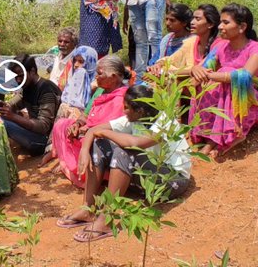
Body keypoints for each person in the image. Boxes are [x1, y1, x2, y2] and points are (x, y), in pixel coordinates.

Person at [57, 85, 191, 242]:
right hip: (148, 176)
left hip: (171, 181)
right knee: (100, 144)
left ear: (140, 111)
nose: (123, 110)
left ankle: (106, 218)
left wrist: (104, 132)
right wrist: (84, 151)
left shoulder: (164, 124)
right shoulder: (135, 117)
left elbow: (136, 143)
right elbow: (94, 131)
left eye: (126, 108)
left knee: (124, 150)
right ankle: (88, 208)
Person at [189, 3, 258, 157]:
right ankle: (209, 134)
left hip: (254, 101)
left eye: (226, 22)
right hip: (229, 97)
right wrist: (196, 70)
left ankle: (232, 135)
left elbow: (244, 76)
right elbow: (205, 66)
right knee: (199, 81)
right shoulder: (221, 46)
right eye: (220, 22)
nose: (219, 26)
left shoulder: (257, 49)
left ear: (242, 27)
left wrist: (211, 75)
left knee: (231, 77)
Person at [51, 56, 129, 187]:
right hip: (88, 131)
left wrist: (87, 130)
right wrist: (77, 124)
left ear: (114, 76)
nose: (96, 77)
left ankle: (93, 174)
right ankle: (71, 164)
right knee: (61, 124)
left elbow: (115, 129)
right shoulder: (100, 91)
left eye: (99, 74)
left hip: (104, 139)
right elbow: (86, 114)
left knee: (95, 143)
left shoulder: (123, 98)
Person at [0, 54, 61, 156]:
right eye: (15, 77)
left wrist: (13, 116)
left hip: (44, 141)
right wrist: (4, 108)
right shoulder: (27, 87)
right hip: (34, 134)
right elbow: (13, 104)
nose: (18, 80)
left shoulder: (46, 90)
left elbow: (43, 127)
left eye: (21, 76)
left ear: (33, 71)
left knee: (3, 123)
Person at [147, 4, 221, 77]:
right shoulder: (190, 42)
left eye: (197, 19)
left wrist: (169, 71)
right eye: (193, 18)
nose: (192, 22)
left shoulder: (219, 46)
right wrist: (158, 65)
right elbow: (171, 60)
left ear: (210, 24)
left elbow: (203, 72)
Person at [56, 46, 99, 120]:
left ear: (90, 62)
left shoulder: (98, 84)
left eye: (81, 61)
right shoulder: (73, 78)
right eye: (74, 60)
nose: (76, 65)